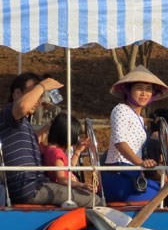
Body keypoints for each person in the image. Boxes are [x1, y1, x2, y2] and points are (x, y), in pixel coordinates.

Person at [0, 73, 100, 207]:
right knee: (95, 200)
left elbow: (35, 139)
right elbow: (22, 106)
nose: (38, 99)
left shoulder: (22, 124)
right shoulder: (10, 114)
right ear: (17, 94)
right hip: (30, 189)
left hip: (36, 184)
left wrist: (48, 126)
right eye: (34, 92)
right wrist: (42, 85)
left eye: (40, 96)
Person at [102, 66, 168, 203]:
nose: (144, 93)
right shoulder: (121, 109)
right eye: (139, 88)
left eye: (149, 89)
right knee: (164, 193)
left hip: (133, 174)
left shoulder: (139, 118)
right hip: (120, 174)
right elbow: (120, 142)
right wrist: (140, 162)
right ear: (128, 90)